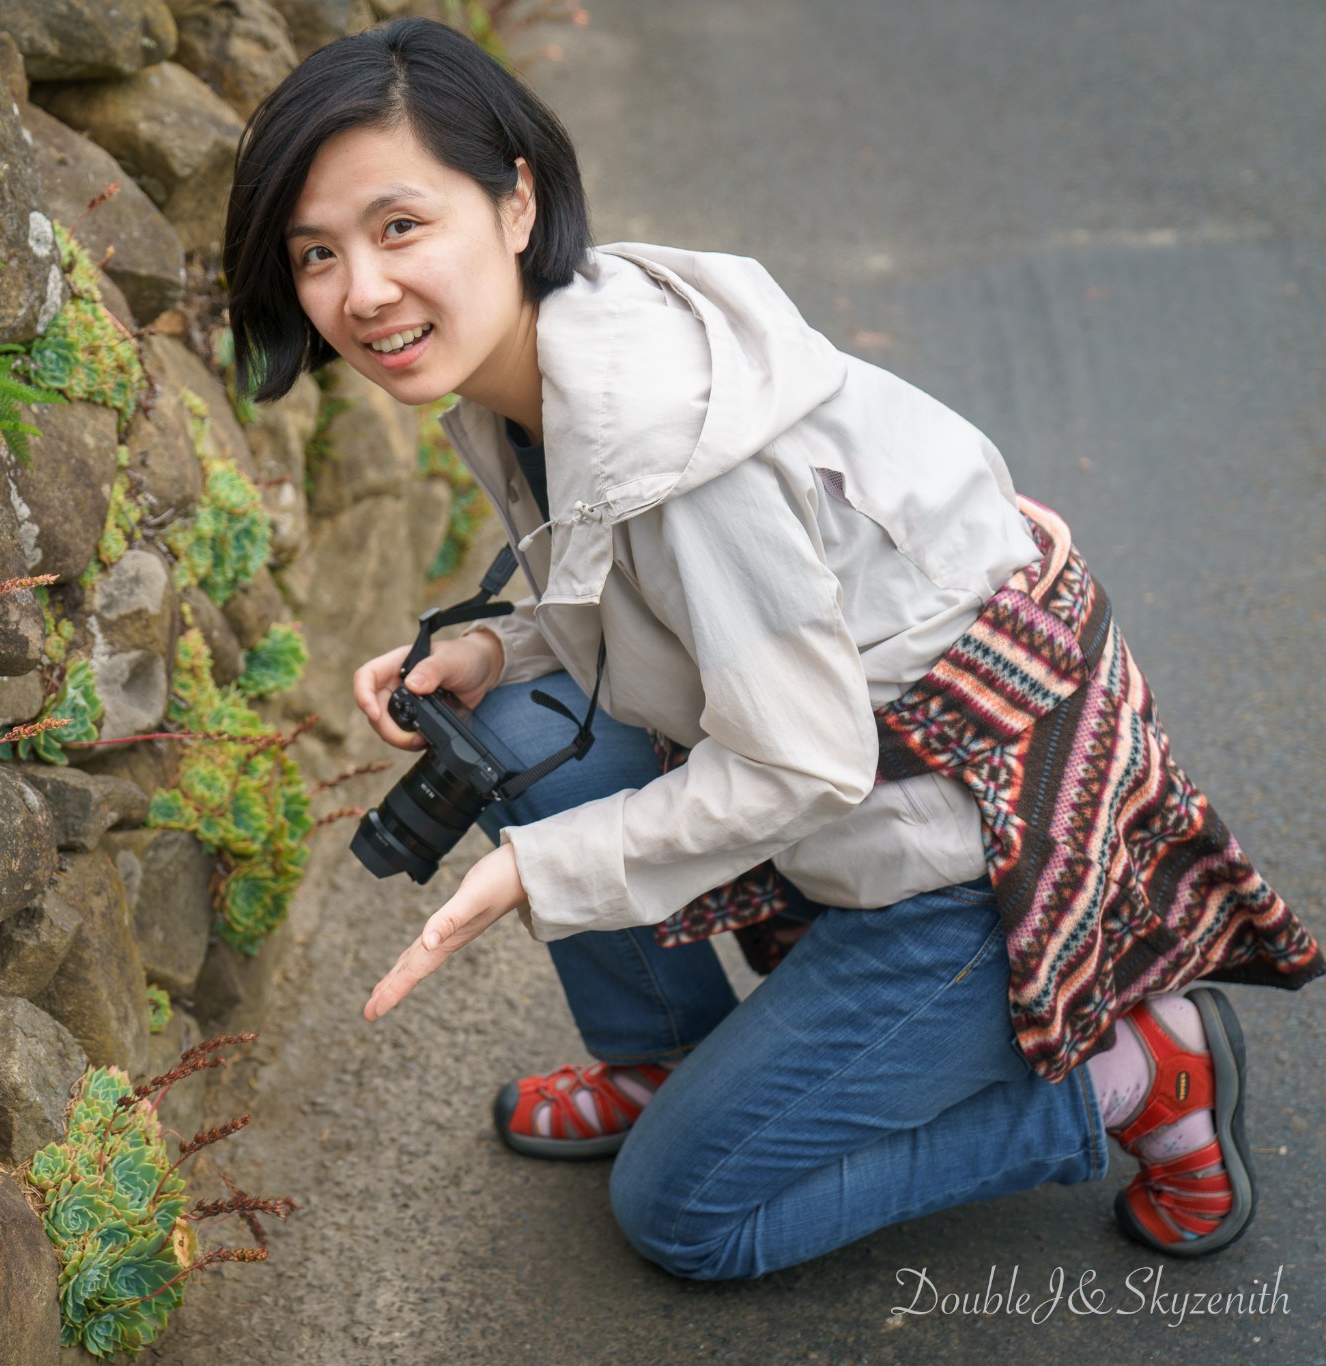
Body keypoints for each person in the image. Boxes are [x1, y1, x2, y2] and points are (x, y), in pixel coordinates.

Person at [220, 17, 1320, 1279]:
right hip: (865, 755)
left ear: (514, 199)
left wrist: (538, 868)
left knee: (684, 1214)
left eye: (398, 226)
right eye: (318, 252)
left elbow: (799, 762)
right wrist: (506, 646)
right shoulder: (539, 352)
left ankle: (1135, 1075)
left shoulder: (673, 445)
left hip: (966, 853)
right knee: (518, 725)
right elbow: (669, 595)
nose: (360, 292)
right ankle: (670, 1061)